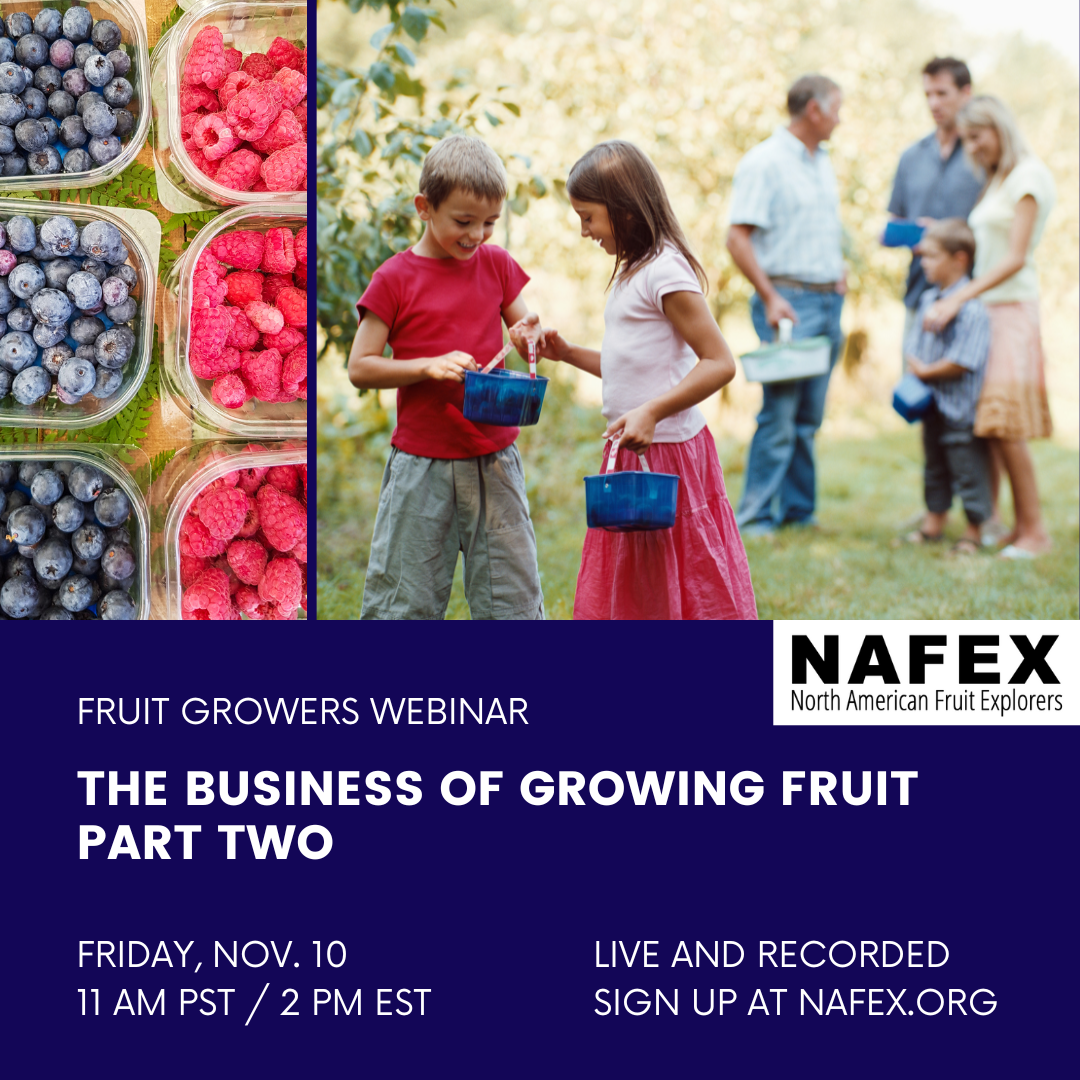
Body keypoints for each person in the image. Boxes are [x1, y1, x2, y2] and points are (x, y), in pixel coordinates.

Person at [529, 140, 756, 620]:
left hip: (668, 452)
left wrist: (653, 412)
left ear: (624, 209)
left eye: (588, 216)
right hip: (635, 449)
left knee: (677, 573)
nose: (584, 230)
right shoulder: (634, 271)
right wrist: (567, 353)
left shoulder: (666, 270)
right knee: (638, 583)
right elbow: (632, 368)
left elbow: (719, 362)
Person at [348, 134, 546, 618]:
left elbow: (525, 327)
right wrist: (426, 367)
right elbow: (360, 367)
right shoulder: (394, 279)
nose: (477, 235)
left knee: (512, 602)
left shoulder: (496, 266)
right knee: (404, 602)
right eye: (463, 221)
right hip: (421, 466)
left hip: (494, 460)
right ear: (424, 207)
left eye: (489, 224)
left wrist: (528, 336)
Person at [922, 96, 1057, 558]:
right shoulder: (999, 178)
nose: (973, 148)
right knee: (990, 422)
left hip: (1012, 308)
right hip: (990, 310)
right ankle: (1000, 524)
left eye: (978, 137)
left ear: (999, 128)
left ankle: (1035, 532)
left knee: (1005, 424)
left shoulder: (1029, 178)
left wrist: (960, 294)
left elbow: (1015, 257)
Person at [725, 74, 847, 536]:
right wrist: (771, 297)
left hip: (827, 300)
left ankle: (798, 512)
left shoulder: (823, 162)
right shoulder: (766, 162)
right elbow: (737, 237)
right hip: (789, 302)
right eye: (836, 106)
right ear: (814, 110)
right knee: (779, 414)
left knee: (808, 417)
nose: (841, 116)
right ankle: (755, 517)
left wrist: (838, 268)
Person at [903, 219, 992, 555]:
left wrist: (926, 371)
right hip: (931, 407)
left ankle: (973, 530)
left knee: (967, 469)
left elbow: (964, 359)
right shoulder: (927, 300)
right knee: (935, 466)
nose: (924, 263)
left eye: (932, 256)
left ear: (960, 259)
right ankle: (933, 525)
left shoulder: (972, 309)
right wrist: (914, 366)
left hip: (960, 409)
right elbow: (914, 344)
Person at [887, 57, 984, 363]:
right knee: (913, 394)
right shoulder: (911, 158)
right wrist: (910, 233)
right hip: (920, 293)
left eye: (942, 93)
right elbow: (895, 218)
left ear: (965, 93)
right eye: (928, 94)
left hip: (973, 300)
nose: (933, 102)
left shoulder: (983, 157)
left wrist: (943, 234)